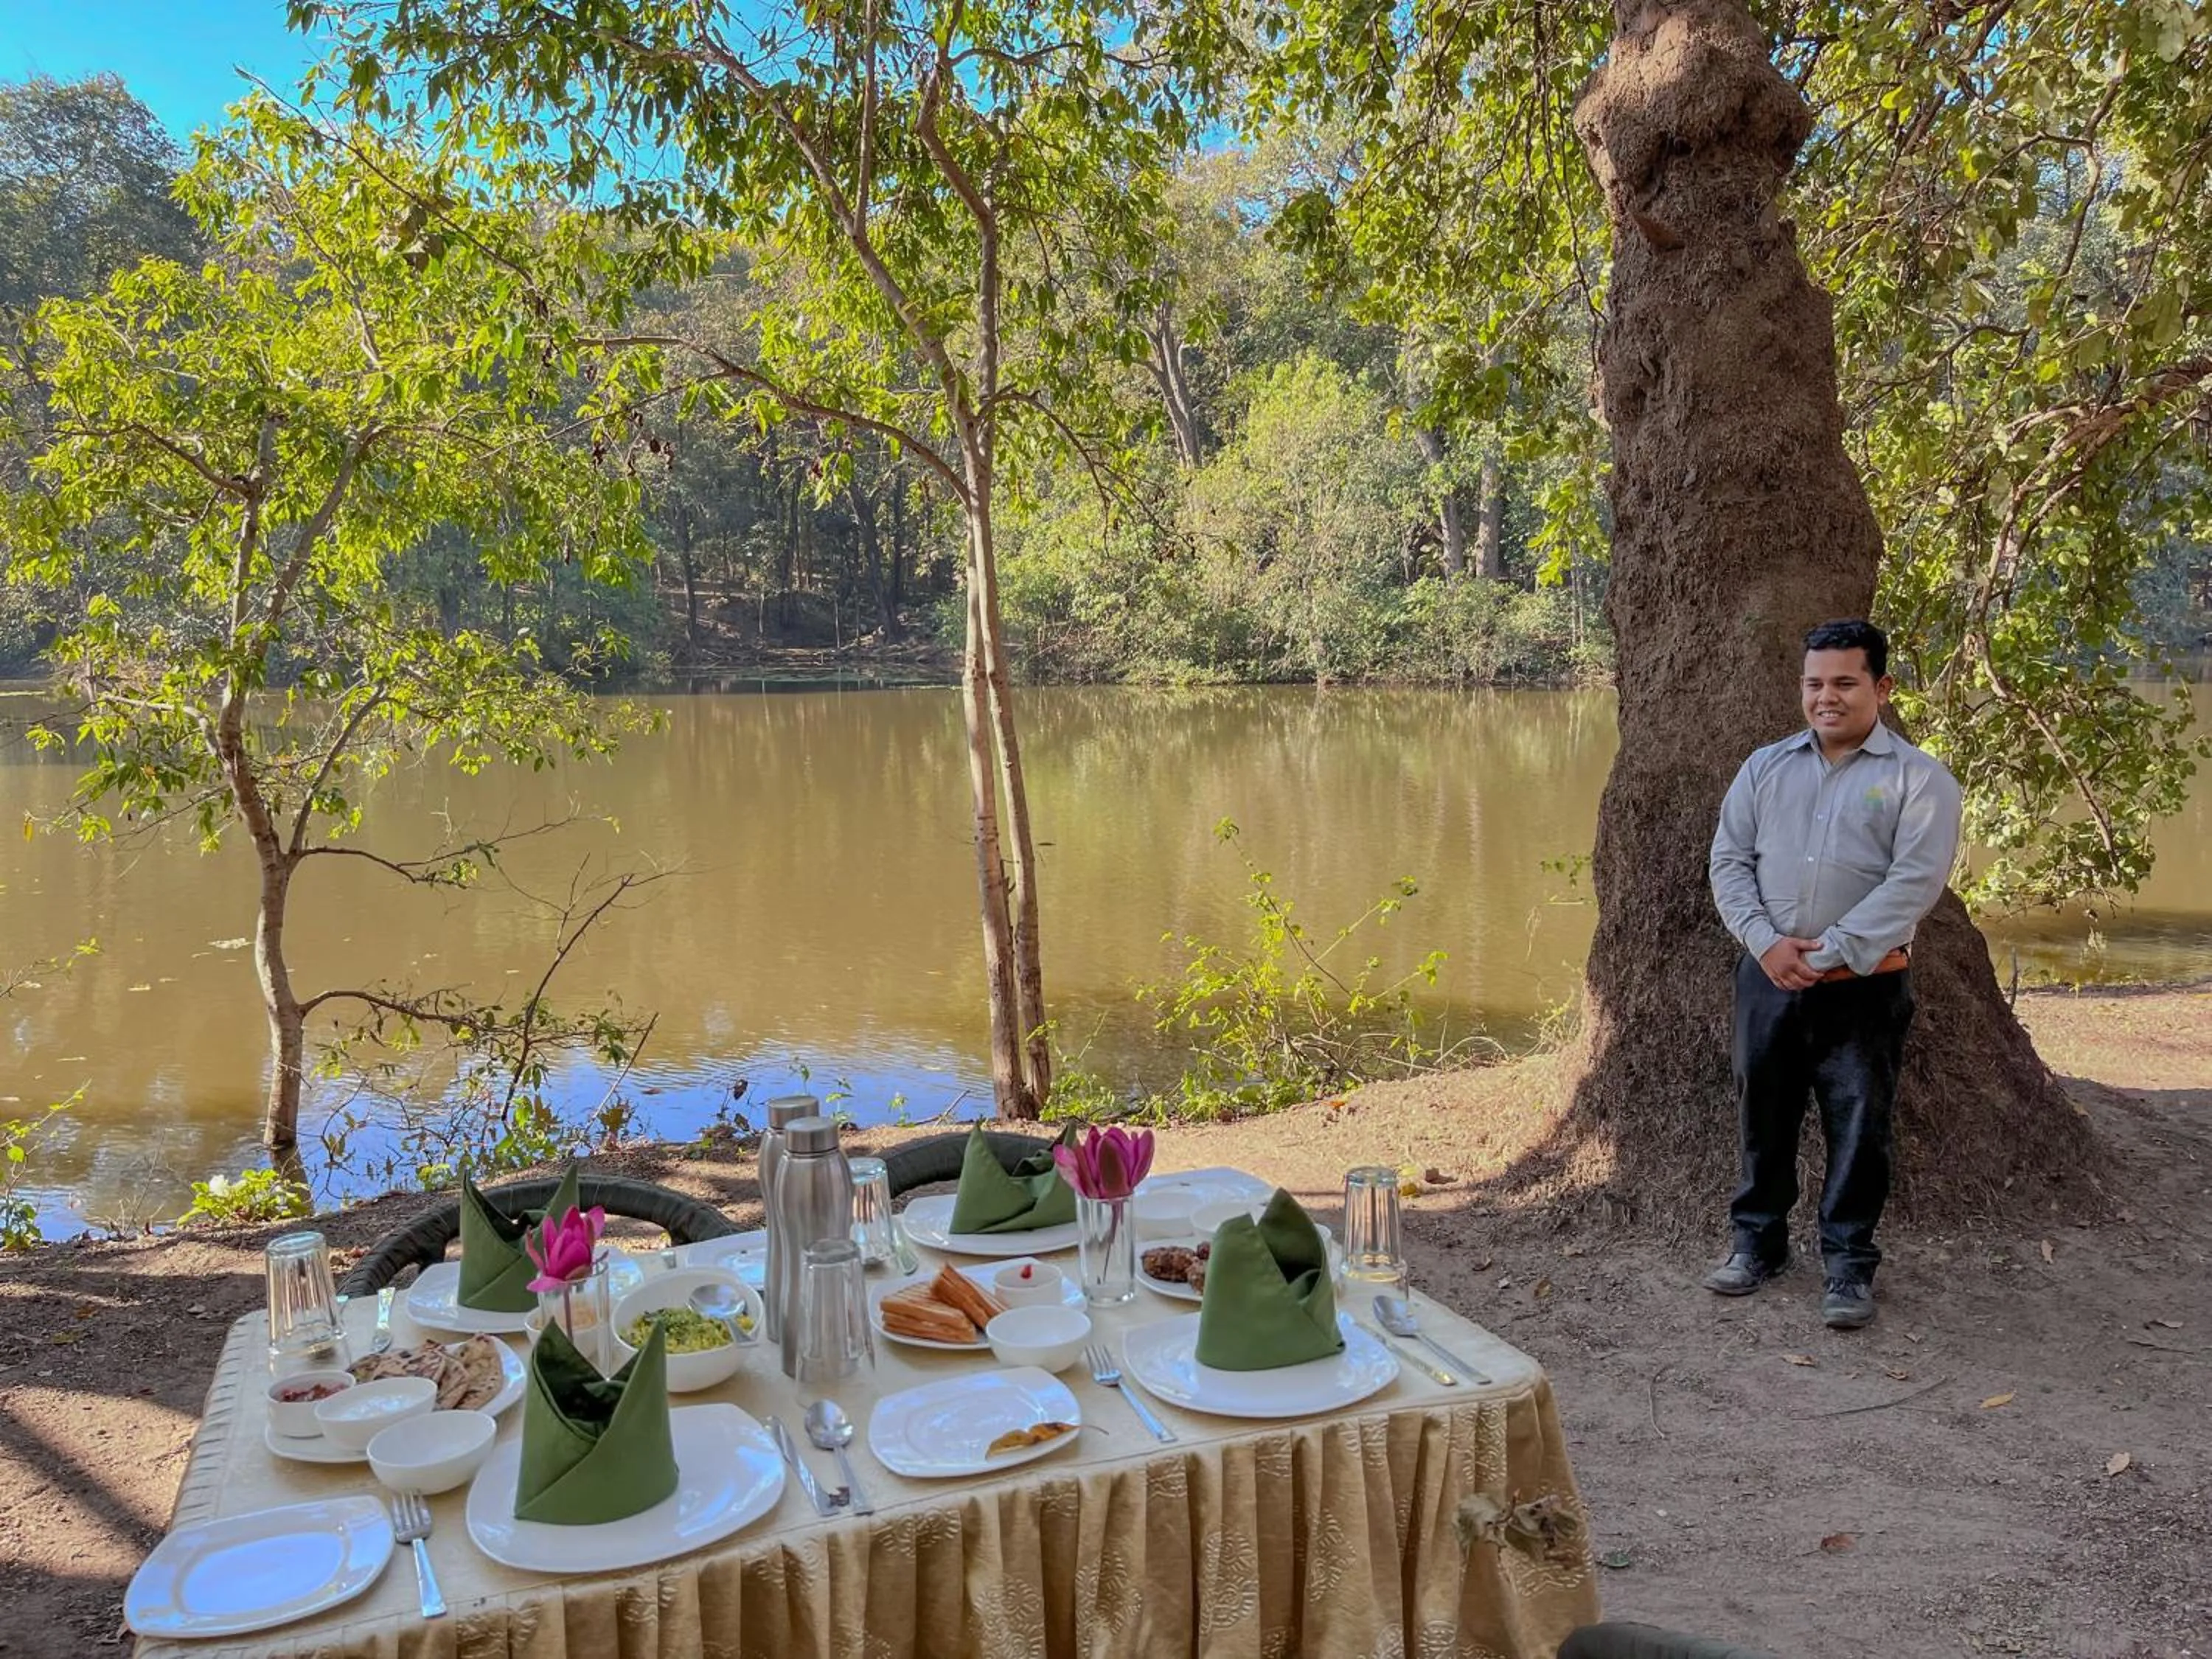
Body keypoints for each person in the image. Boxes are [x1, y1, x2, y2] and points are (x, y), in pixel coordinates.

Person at [1703, 619, 1963, 1330]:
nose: (1827, 697)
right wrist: (1765, 944)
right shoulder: (1763, 768)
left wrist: (1823, 955)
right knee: (1764, 1116)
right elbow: (1729, 862)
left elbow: (1914, 884)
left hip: (1863, 991)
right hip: (1767, 978)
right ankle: (1758, 1246)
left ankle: (1848, 1267)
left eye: (1845, 683)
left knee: (1859, 1127)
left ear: (1880, 687)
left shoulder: (1920, 781)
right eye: (1815, 683)